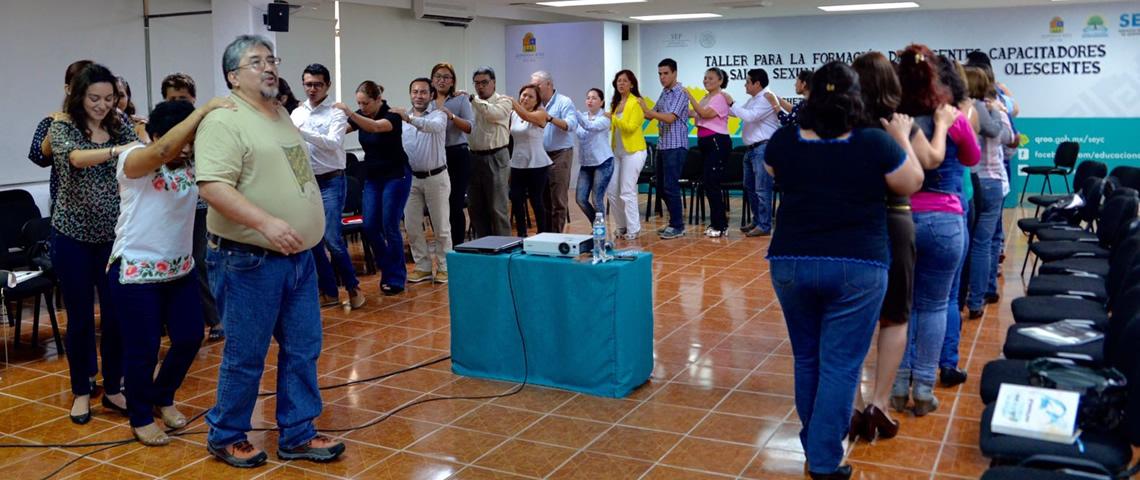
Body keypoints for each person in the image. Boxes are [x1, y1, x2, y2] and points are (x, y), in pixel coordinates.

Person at [765, 61, 923, 479]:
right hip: (858, 266)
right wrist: (902, 139)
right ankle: (822, 459)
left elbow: (772, 170)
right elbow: (910, 182)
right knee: (840, 365)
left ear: (810, 97)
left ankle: (814, 442)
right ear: (855, 100)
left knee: (807, 359)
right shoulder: (874, 142)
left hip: (791, 263)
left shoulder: (785, 140)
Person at [196, 34, 344, 467]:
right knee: (247, 354)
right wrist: (266, 222)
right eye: (255, 61)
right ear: (233, 76)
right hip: (248, 259)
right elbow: (213, 187)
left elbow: (298, 173)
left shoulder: (280, 114)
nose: (268, 67)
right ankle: (226, 434)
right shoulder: (225, 120)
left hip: (298, 259)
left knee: (303, 347)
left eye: (271, 59)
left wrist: (302, 217)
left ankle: (297, 432)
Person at [109, 98, 234, 445]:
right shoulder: (133, 158)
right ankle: (139, 415)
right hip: (135, 272)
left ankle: (162, 396)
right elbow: (163, 150)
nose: (186, 148)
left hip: (179, 270)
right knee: (143, 348)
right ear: (156, 134)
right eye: (184, 139)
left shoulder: (192, 165)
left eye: (192, 141)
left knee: (190, 336)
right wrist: (202, 110)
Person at [848, 51, 949, 443]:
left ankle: (855, 405)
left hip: (855, 225)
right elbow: (922, 170)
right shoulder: (901, 122)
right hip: (895, 219)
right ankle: (879, 404)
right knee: (895, 315)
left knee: (852, 318)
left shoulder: (843, 125)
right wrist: (906, 137)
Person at [891, 44, 980, 418]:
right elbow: (973, 158)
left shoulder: (894, 118)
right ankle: (924, 386)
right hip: (946, 222)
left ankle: (897, 383)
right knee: (934, 305)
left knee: (900, 307)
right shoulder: (951, 116)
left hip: (902, 220)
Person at [50, 63, 138, 425]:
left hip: (114, 236)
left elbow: (140, 156)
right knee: (81, 316)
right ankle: (82, 392)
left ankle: (114, 387)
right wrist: (119, 151)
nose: (103, 105)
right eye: (94, 98)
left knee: (116, 315)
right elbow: (76, 159)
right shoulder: (63, 126)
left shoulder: (121, 123)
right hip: (72, 235)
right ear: (78, 96)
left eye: (109, 98)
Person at [291, 63, 365, 309]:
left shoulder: (335, 112)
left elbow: (333, 142)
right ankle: (330, 291)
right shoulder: (297, 113)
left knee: (332, 238)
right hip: (307, 182)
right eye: (308, 84)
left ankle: (354, 287)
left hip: (332, 180)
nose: (312, 89)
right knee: (312, 240)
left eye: (317, 84)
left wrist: (302, 133)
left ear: (327, 85)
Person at [160, 72, 224, 341]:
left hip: (198, 203)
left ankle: (216, 318)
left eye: (183, 98)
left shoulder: (206, 123)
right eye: (172, 98)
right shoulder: (160, 125)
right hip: (169, 204)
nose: (177, 102)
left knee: (199, 260)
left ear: (194, 99)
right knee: (171, 262)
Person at [336, 81, 411, 295]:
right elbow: (341, 130)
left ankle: (396, 278)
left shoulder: (392, 115)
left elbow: (376, 127)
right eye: (359, 103)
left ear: (378, 100)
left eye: (366, 103)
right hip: (374, 177)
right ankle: (388, 268)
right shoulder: (361, 116)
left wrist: (351, 112)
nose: (362, 107)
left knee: (390, 225)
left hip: (396, 175)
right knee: (369, 226)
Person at [962, 66, 1011, 319]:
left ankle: (982, 290)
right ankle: (977, 298)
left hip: (972, 182)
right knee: (983, 242)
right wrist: (1000, 112)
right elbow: (1005, 135)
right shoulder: (985, 109)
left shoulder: (958, 110)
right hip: (989, 181)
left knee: (978, 241)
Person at [399, 77, 452, 284]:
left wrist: (408, 119)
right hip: (411, 179)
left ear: (431, 95)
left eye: (423, 92)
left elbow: (431, 127)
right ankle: (422, 266)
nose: (418, 96)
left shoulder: (439, 116)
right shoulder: (403, 120)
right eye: (414, 92)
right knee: (412, 227)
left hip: (435, 177)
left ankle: (445, 267)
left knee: (441, 227)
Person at [29, 59, 93, 215]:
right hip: (68, 211)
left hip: (109, 209)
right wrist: (55, 128)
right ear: (68, 88)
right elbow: (38, 157)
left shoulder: (107, 123)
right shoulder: (53, 121)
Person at [638, 58, 689, 240]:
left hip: (676, 146)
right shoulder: (665, 93)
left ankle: (678, 225)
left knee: (670, 186)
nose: (662, 77)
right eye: (660, 74)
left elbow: (669, 118)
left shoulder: (681, 93)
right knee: (660, 186)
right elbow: (649, 115)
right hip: (663, 145)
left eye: (666, 73)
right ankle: (674, 222)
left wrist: (648, 111)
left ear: (675, 73)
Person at [730, 68, 781, 237]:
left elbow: (750, 117)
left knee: (762, 188)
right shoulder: (753, 99)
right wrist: (718, 105)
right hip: (752, 149)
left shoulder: (766, 98)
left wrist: (731, 103)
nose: (745, 85)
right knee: (750, 187)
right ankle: (758, 220)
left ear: (757, 84)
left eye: (747, 82)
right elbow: (737, 112)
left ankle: (764, 225)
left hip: (763, 149)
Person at [428, 63, 475, 243]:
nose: (441, 80)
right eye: (438, 76)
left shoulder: (460, 100)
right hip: (434, 156)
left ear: (452, 81)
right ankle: (443, 247)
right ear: (432, 79)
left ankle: (457, 247)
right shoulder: (427, 101)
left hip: (457, 155)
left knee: (454, 205)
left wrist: (451, 116)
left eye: (446, 77)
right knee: (436, 207)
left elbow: (470, 127)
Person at [466, 66, 514, 238]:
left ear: (493, 83)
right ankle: (484, 248)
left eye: (484, 82)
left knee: (497, 207)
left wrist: (472, 100)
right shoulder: (470, 104)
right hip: (473, 157)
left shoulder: (504, 101)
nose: (480, 87)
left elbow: (492, 114)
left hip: (496, 156)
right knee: (476, 207)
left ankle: (504, 249)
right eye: (477, 83)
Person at [687, 68, 732, 238]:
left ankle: (720, 225)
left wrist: (690, 97)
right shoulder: (706, 97)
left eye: (710, 78)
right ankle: (717, 223)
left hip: (717, 143)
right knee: (708, 183)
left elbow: (704, 113)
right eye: (705, 78)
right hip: (705, 143)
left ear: (720, 81)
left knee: (712, 184)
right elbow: (695, 113)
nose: (706, 81)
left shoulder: (720, 98)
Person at [530, 71, 578, 234]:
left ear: (549, 84)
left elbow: (570, 125)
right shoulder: (534, 104)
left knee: (558, 199)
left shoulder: (564, 102)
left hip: (560, 154)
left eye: (537, 86)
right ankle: (544, 235)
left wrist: (549, 118)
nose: (534, 89)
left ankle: (556, 238)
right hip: (540, 155)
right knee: (542, 200)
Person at [606, 70, 648, 241]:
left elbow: (630, 128)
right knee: (612, 191)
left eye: (625, 81)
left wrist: (613, 118)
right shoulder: (615, 103)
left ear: (632, 84)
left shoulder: (637, 102)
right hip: (617, 152)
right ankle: (621, 225)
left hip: (634, 151)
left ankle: (634, 228)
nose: (621, 84)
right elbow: (612, 127)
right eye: (618, 81)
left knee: (627, 190)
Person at [508, 84, 552, 236]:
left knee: (536, 201)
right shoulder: (513, 114)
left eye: (530, 96)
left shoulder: (541, 113)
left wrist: (513, 103)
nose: (525, 98)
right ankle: (521, 236)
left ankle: (542, 235)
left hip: (537, 164)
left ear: (536, 101)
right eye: (523, 95)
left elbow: (526, 116)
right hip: (517, 163)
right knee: (517, 200)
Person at [574, 88, 614, 222]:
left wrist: (574, 113)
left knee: (597, 199)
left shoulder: (605, 118)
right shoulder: (583, 116)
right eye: (588, 98)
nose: (590, 100)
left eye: (594, 98)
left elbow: (590, 127)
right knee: (580, 198)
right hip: (586, 163)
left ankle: (599, 232)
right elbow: (579, 131)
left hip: (603, 162)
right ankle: (596, 226)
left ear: (601, 102)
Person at [116, 76, 151, 144]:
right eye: (111, 96)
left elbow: (144, 149)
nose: (116, 100)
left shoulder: (140, 124)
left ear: (128, 97)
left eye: (121, 96)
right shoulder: (95, 127)